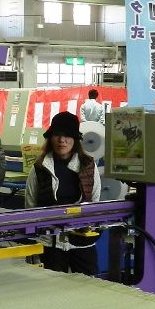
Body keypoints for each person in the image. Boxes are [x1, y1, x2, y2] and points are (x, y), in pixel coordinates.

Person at [25, 111, 101, 274]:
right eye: (57, 135)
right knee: (52, 286)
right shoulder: (39, 167)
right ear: (50, 138)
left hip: (82, 241)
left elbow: (94, 201)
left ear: (75, 139)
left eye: (67, 135)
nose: (62, 140)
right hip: (50, 242)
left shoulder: (88, 166)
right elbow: (30, 206)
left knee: (90, 285)